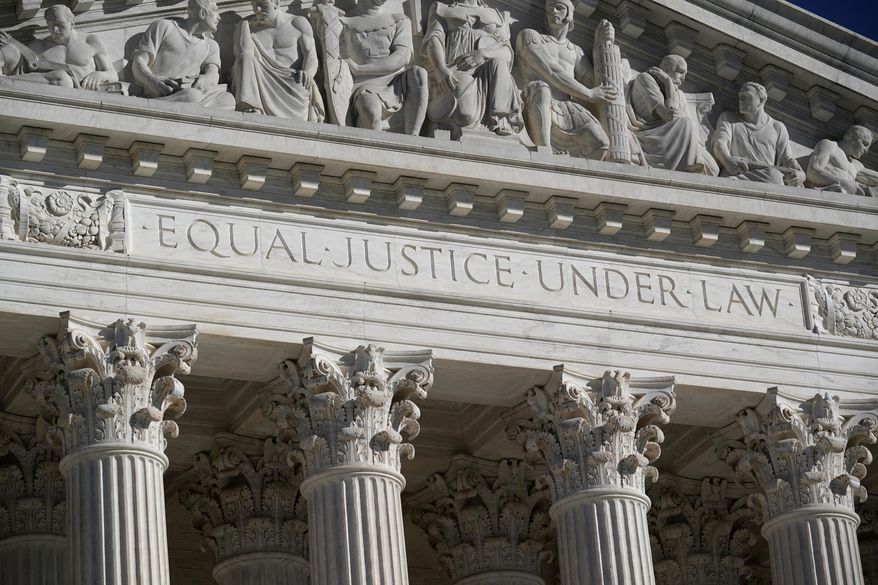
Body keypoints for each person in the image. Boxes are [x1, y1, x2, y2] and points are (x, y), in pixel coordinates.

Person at [515, 0, 613, 158]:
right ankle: (544, 152)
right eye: (550, 8)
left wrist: (603, 43)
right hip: (535, 101)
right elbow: (550, 70)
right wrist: (588, 93)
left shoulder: (575, 51)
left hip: (566, 107)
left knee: (601, 143)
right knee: (542, 88)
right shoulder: (531, 36)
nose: (554, 11)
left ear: (570, 14)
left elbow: (597, 84)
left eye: (559, 8)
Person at [313, 0, 427, 134]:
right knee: (371, 111)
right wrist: (325, 17)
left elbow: (402, 57)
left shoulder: (399, 20)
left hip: (394, 82)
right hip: (363, 86)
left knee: (419, 74)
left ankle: (413, 138)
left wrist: (359, 69)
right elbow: (331, 58)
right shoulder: (343, 22)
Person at [423, 0, 522, 137]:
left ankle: (500, 119)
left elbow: (507, 53)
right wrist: (440, 68)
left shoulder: (495, 15)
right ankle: (439, 112)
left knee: (499, 63)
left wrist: (482, 54)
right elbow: (434, 40)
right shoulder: (441, 8)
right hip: (458, 69)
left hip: (491, 72)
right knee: (465, 113)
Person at [131, 0, 235, 110]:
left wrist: (206, 80)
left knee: (228, 100)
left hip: (191, 93)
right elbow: (138, 62)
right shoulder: (165, 26)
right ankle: (158, 106)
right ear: (202, 13)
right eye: (215, 11)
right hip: (162, 92)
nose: (219, 17)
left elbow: (213, 73)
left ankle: (186, 107)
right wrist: (152, 81)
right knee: (192, 97)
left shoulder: (211, 45)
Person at [230, 0, 324, 121]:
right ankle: (252, 107)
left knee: (302, 85)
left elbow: (311, 55)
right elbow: (243, 56)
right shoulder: (249, 27)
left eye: (262, 5)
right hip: (259, 82)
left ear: (276, 3)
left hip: (291, 80)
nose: (257, 10)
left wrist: (308, 73)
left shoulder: (297, 23)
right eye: (255, 6)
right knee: (246, 58)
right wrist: (244, 26)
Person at [627, 54, 718, 175]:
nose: (683, 78)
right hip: (651, 135)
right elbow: (669, 114)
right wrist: (668, 83)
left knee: (713, 169)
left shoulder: (679, 94)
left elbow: (691, 132)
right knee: (686, 123)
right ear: (666, 69)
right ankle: (687, 170)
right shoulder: (645, 79)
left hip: (674, 135)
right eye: (680, 72)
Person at [0, 5, 117, 91]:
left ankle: (5, 82)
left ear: (72, 23)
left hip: (76, 92)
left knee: (63, 79)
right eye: (51, 26)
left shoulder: (91, 42)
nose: (55, 30)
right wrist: (11, 45)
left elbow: (113, 74)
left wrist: (100, 75)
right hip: (40, 87)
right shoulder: (39, 45)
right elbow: (21, 64)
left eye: (60, 25)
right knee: (9, 48)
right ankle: (5, 81)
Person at [712, 81, 804, 186]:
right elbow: (720, 143)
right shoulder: (728, 118)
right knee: (774, 177)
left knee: (774, 176)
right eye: (740, 97)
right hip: (737, 171)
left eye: (747, 97)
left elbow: (787, 159)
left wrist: (801, 175)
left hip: (767, 175)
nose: (741, 101)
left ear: (761, 100)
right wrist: (726, 160)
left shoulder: (777, 127)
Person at [806, 125, 878, 196]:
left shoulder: (856, 164)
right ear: (852, 136)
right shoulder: (830, 145)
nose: (866, 150)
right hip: (828, 195)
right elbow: (812, 172)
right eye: (865, 144)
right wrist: (844, 183)